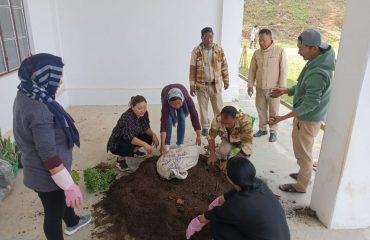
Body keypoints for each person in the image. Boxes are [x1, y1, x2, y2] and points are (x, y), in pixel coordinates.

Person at [13, 53, 91, 240]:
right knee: (53, 214)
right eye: (57, 77)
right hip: (48, 176)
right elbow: (48, 154)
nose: (60, 81)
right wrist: (68, 184)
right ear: (43, 77)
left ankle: (72, 221)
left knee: (60, 201)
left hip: (42, 169)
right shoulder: (39, 109)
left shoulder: (27, 90)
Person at [269, 29, 336, 193]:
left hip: (308, 119)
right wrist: (286, 91)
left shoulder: (319, 72)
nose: (299, 52)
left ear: (314, 48)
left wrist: (282, 117)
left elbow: (310, 103)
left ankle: (301, 185)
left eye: (301, 48)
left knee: (304, 154)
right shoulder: (317, 60)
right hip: (305, 118)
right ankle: (302, 175)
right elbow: (303, 87)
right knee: (302, 150)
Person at [186, 156, 290, 240]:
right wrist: (222, 199)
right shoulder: (259, 184)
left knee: (218, 225)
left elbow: (213, 215)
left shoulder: (237, 205)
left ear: (230, 179)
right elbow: (238, 190)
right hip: (282, 235)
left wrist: (197, 222)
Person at [248, 28, 288, 142]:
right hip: (260, 87)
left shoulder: (279, 51)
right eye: (259, 40)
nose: (261, 42)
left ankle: (273, 131)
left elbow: (284, 70)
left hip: (274, 88)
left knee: (274, 111)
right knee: (261, 109)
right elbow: (252, 70)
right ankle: (262, 129)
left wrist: (281, 88)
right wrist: (250, 85)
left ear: (271, 39)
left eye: (264, 40)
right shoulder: (256, 53)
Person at [189, 27, 229, 137]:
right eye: (206, 37)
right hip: (201, 86)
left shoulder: (219, 49)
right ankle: (205, 127)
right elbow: (192, 69)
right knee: (203, 108)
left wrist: (226, 80)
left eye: (211, 37)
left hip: (215, 85)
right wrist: (192, 85)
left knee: (218, 108)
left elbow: (224, 65)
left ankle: (220, 126)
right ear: (202, 37)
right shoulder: (196, 51)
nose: (209, 39)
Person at [107, 95, 159, 171]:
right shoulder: (127, 117)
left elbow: (146, 127)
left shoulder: (144, 113)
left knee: (148, 136)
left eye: (145, 107)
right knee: (128, 142)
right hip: (118, 142)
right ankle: (120, 160)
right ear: (132, 107)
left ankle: (134, 151)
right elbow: (129, 138)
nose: (142, 110)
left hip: (134, 134)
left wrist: (154, 135)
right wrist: (145, 145)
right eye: (139, 108)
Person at [160, 83, 201, 155]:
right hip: (165, 92)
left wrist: (198, 136)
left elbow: (194, 116)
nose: (177, 106)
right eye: (174, 104)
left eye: (179, 103)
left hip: (181, 92)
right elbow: (164, 124)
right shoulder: (166, 103)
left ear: (182, 99)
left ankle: (180, 143)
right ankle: (167, 144)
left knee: (182, 117)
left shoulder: (187, 98)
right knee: (168, 121)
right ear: (169, 102)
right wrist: (162, 145)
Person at [207, 106, 253, 170]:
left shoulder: (245, 121)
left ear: (235, 119)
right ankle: (224, 160)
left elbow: (248, 145)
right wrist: (212, 154)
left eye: (228, 123)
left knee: (241, 164)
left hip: (241, 141)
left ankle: (230, 161)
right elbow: (211, 136)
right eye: (223, 123)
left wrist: (229, 162)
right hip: (228, 139)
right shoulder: (218, 119)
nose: (226, 125)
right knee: (222, 151)